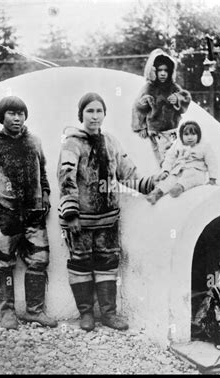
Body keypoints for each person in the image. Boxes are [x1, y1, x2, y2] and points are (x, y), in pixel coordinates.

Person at [58, 92, 156, 332]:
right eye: (89, 111)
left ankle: (109, 314)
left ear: (104, 114)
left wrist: (153, 183)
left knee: (107, 263)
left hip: (108, 218)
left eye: (98, 111)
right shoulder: (72, 143)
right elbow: (66, 176)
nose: (94, 116)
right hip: (80, 220)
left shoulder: (111, 142)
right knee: (81, 264)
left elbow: (128, 174)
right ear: (81, 114)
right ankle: (86, 314)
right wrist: (70, 213)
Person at [0, 96, 57, 330]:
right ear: (2, 117)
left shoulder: (34, 142)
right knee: (3, 263)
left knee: (39, 260)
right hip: (7, 218)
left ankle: (34, 310)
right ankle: (7, 312)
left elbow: (43, 174)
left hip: (34, 216)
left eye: (21, 113)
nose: (17, 118)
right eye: (11, 113)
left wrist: (45, 195)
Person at [131, 48, 191, 165]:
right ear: (154, 71)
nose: (163, 73)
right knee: (161, 158)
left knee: (175, 155)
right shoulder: (149, 88)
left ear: (170, 72)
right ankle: (164, 173)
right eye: (159, 70)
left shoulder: (173, 87)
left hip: (173, 129)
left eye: (166, 70)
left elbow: (186, 98)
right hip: (156, 131)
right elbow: (137, 107)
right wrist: (141, 127)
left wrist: (178, 98)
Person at [146, 120, 218, 204]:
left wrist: (212, 178)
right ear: (181, 135)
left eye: (193, 134)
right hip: (178, 170)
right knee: (170, 179)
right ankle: (157, 192)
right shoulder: (178, 144)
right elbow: (170, 158)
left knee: (189, 178)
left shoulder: (204, 146)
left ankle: (179, 187)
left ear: (198, 135)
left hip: (196, 171)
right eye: (186, 134)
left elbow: (212, 161)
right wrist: (166, 170)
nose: (190, 137)